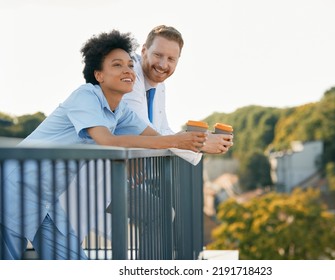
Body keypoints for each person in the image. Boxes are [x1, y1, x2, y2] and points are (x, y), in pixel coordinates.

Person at [0, 29, 206, 260]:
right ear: (99, 75)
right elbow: (107, 141)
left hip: (46, 200)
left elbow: (155, 136)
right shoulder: (85, 96)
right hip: (14, 188)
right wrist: (176, 140)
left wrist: (201, 141)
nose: (128, 70)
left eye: (129, 65)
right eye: (117, 65)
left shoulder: (122, 111)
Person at [122, 25, 233, 159]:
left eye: (171, 59)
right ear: (144, 50)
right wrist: (198, 143)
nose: (163, 65)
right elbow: (139, 130)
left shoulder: (160, 84)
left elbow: (162, 130)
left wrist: (197, 137)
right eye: (158, 55)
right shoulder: (129, 75)